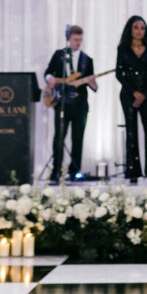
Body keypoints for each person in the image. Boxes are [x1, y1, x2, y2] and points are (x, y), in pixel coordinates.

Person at [44, 26, 98, 181]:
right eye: (75, 40)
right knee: (59, 137)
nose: (78, 43)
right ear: (69, 39)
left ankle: (75, 170)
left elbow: (93, 86)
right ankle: (56, 170)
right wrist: (51, 80)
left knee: (78, 138)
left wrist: (93, 83)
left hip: (80, 104)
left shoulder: (87, 60)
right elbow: (47, 73)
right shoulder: (59, 55)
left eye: (80, 40)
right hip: (62, 102)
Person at [116, 16, 147, 182]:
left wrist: (144, 93)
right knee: (131, 131)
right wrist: (134, 92)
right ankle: (133, 170)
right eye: (136, 27)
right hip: (128, 94)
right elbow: (119, 73)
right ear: (130, 29)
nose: (139, 31)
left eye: (142, 28)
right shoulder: (123, 49)